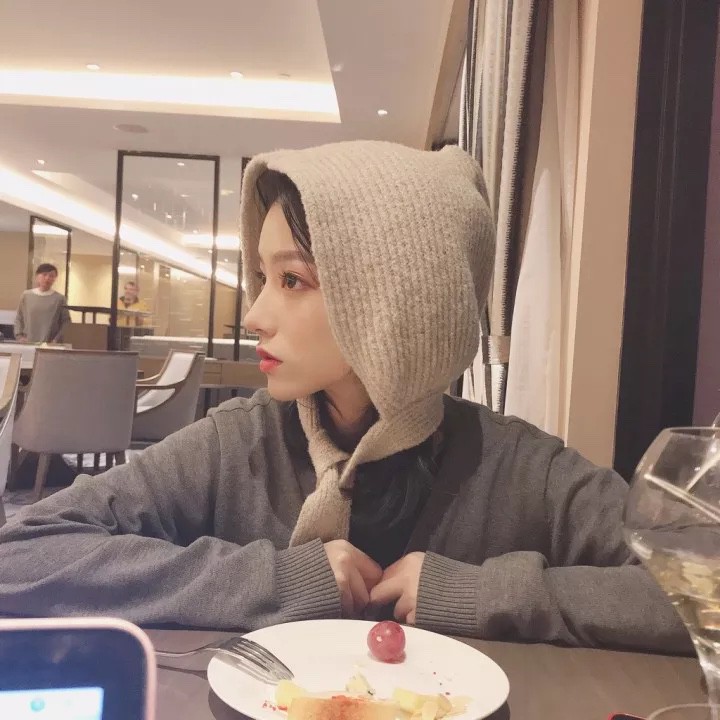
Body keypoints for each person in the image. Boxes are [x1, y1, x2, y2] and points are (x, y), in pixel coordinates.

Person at [0, 142, 690, 653]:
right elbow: (21, 553)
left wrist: (477, 592)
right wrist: (281, 580)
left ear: (393, 306)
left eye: (292, 281)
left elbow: (694, 588)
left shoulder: (519, 469)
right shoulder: (238, 444)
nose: (254, 316)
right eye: (262, 278)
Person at [13, 263, 71, 343]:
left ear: (55, 279)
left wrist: (56, 339)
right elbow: (19, 317)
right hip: (27, 342)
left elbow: (66, 322)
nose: (47, 278)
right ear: (37, 276)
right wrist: (19, 336)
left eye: (51, 276)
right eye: (44, 275)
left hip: (50, 344)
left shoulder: (60, 299)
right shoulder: (26, 295)